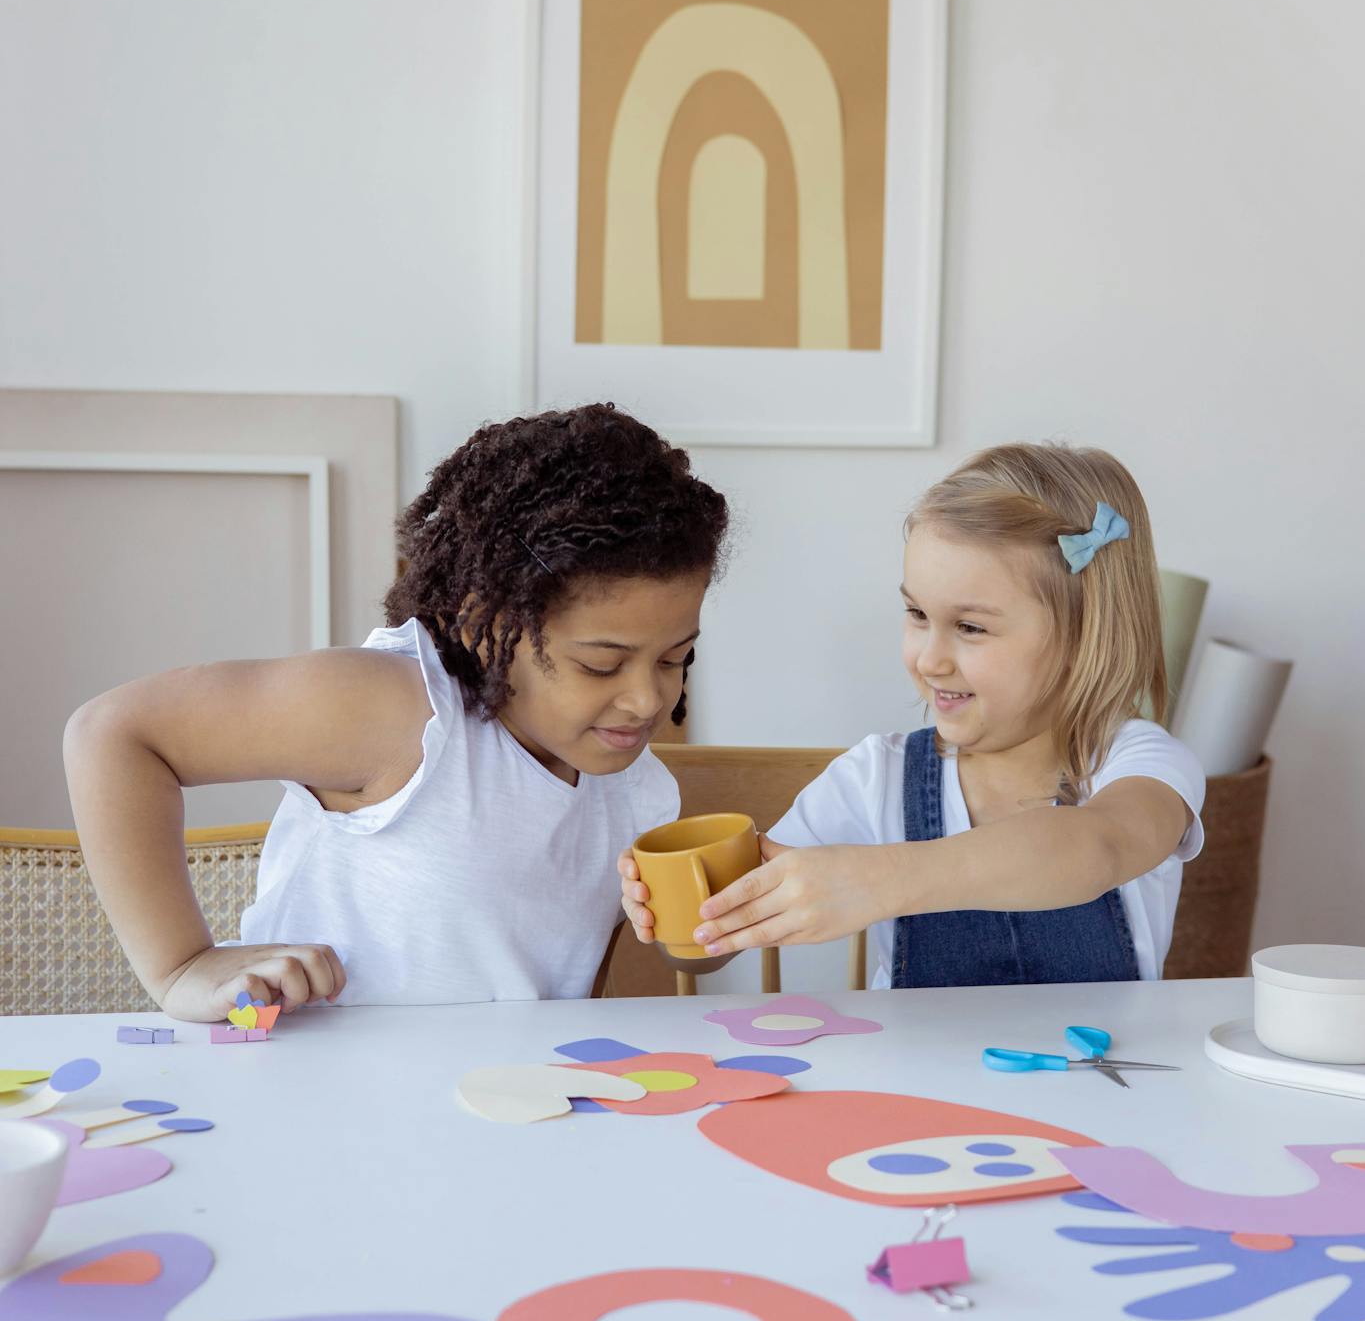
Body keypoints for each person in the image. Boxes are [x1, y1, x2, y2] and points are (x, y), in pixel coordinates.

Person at [66, 403, 728, 1016]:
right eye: (601, 665)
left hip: (495, 1113)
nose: (648, 699)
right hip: (313, 1094)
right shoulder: (399, 712)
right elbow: (113, 734)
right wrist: (183, 965)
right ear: (482, 622)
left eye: (674, 658)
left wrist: (716, 924)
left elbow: (622, 954)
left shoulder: (635, 790)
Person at [621, 441, 1202, 987]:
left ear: (1085, 636)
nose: (930, 660)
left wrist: (882, 880)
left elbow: (1097, 847)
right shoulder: (875, 778)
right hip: (916, 1090)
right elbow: (712, 948)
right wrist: (687, 916)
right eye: (917, 614)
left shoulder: (1138, 764)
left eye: (970, 628)